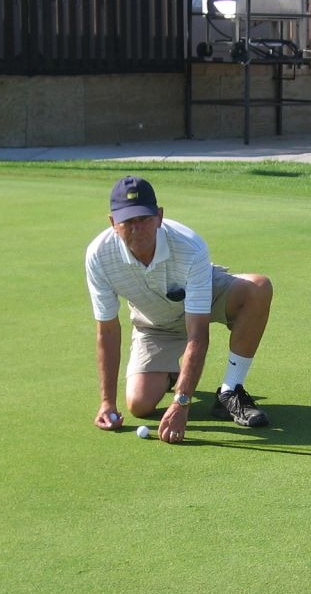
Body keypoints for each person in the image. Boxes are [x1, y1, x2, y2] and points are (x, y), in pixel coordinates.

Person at [86, 176, 273, 443]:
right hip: (155, 324)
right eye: (128, 222)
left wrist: (181, 402)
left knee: (258, 288)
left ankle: (230, 391)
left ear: (159, 216)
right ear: (113, 224)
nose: (137, 229)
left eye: (145, 219)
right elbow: (107, 329)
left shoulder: (190, 246)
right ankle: (173, 373)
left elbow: (198, 334)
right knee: (139, 404)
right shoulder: (98, 255)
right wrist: (107, 402)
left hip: (201, 300)